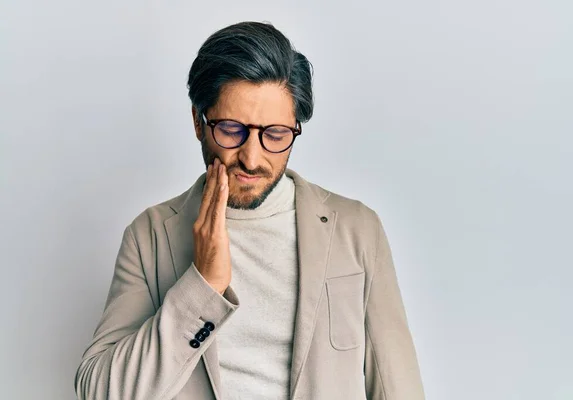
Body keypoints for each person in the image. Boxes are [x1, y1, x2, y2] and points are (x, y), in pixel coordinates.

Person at [74, 21, 425, 400]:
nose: (251, 158)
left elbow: (396, 386)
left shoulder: (356, 230)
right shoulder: (151, 236)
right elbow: (101, 391)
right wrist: (203, 286)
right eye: (231, 129)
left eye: (274, 135)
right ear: (198, 121)